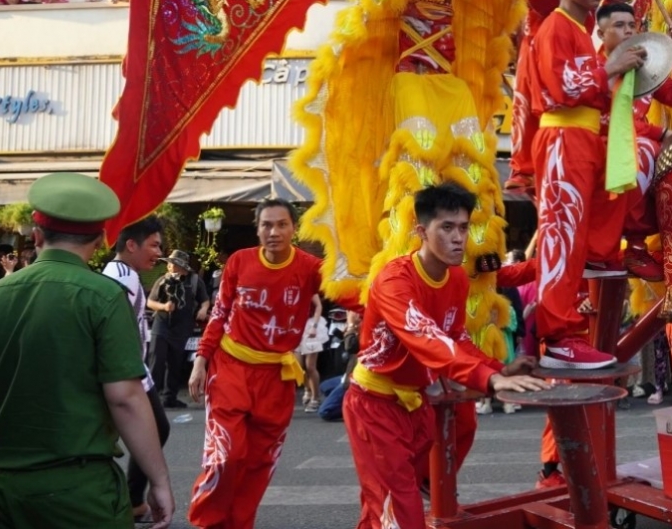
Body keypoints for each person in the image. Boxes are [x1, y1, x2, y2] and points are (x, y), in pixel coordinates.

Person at [0, 172, 173, 529]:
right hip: (81, 494)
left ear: (37, 235)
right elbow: (125, 398)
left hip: (2, 491)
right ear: (101, 238)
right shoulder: (103, 297)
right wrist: (160, 482)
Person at [343, 182, 549, 529]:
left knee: (385, 508)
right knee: (400, 511)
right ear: (422, 231)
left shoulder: (455, 278)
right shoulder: (394, 281)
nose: (458, 238)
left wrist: (500, 367)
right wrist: (489, 378)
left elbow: (457, 337)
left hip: (418, 402)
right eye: (447, 228)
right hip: (375, 404)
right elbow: (427, 338)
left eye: (464, 227)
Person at [528, 0, 645, 368]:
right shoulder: (555, 27)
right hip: (562, 136)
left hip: (582, 139)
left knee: (576, 236)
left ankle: (569, 319)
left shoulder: (579, 30)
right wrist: (610, 66)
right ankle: (558, 336)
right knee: (561, 233)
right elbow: (561, 88)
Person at [187, 199, 324, 529]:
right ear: (257, 229)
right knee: (226, 456)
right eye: (266, 225)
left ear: (294, 228)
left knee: (259, 462)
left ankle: (240, 523)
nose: (273, 232)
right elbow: (219, 313)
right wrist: (201, 360)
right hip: (231, 368)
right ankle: (208, 522)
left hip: (276, 377)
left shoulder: (311, 268)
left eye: (281, 224)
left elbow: (353, 294)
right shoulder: (239, 261)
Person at [592, 1, 672, 280]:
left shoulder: (642, 65)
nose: (628, 31)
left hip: (638, 143)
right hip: (605, 146)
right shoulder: (599, 69)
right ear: (601, 34)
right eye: (619, 25)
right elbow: (615, 121)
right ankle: (634, 249)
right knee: (645, 151)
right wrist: (659, 134)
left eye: (631, 25)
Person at [506, 0, 581, 196]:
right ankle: (522, 171)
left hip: (573, 44)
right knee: (526, 105)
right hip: (536, 42)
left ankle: (560, 165)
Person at [102, 217, 171, 523]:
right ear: (131, 245)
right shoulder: (120, 277)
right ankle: (129, 500)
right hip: (129, 371)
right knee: (154, 429)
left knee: (153, 429)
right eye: (154, 245)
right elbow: (115, 327)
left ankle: (131, 500)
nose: (159, 251)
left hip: (136, 368)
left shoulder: (123, 272)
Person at [147, 250, 209, 408]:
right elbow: (150, 302)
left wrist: (203, 309)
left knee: (175, 363)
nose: (169, 266)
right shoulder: (162, 280)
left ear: (182, 267)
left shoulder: (194, 281)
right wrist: (163, 306)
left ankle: (170, 398)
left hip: (182, 327)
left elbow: (205, 300)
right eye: (169, 263)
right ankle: (150, 398)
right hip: (161, 324)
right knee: (157, 361)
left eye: (173, 264)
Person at [297, 294, 329, 412]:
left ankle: (316, 398)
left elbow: (318, 306)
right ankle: (307, 389)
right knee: (298, 365)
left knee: (310, 366)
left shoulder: (309, 286)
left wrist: (314, 326)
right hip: (295, 325)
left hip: (311, 325)